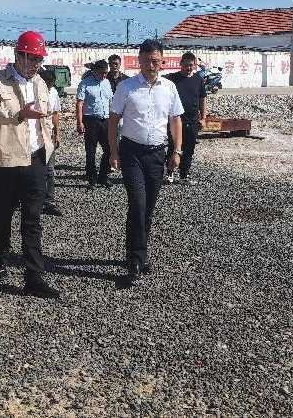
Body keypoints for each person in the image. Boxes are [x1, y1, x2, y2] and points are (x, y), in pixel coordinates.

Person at [0, 30, 59, 299]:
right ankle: (0, 258)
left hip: (36, 159)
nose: (36, 64)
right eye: (32, 58)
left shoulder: (40, 83)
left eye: (39, 59)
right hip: (7, 160)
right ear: (19, 55)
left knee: (32, 219)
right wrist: (19, 114)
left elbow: (46, 116)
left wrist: (49, 144)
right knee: (3, 215)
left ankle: (33, 277)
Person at [108, 39, 184, 285]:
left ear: (162, 62)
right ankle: (134, 260)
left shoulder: (169, 88)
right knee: (137, 204)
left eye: (155, 61)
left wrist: (177, 151)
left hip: (157, 154)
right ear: (138, 61)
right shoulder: (126, 87)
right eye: (146, 60)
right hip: (131, 153)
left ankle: (140, 252)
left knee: (148, 207)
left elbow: (175, 120)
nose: (151, 65)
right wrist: (113, 152)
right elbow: (113, 120)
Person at [164, 51, 207, 185]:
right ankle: (169, 173)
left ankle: (184, 176)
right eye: (186, 65)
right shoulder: (172, 79)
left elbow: (202, 99)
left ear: (194, 65)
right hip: (175, 121)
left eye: (191, 65)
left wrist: (203, 118)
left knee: (189, 149)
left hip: (192, 121)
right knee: (173, 147)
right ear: (181, 64)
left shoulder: (198, 79)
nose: (189, 68)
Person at [75, 59, 114, 189]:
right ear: (95, 71)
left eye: (106, 73)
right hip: (90, 120)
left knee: (109, 149)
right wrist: (79, 123)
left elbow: (110, 101)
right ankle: (92, 179)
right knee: (91, 151)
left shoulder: (107, 82)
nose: (104, 75)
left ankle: (103, 176)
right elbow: (79, 104)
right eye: (102, 73)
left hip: (105, 120)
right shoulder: (85, 83)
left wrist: (113, 119)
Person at [40, 68, 63, 216]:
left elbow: (55, 113)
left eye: (51, 84)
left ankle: (49, 201)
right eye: (47, 84)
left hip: (49, 134)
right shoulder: (33, 91)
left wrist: (57, 133)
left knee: (49, 169)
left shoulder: (54, 92)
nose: (49, 87)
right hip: (34, 135)